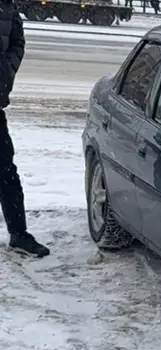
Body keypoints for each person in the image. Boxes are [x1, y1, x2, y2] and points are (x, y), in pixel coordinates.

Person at [0, 1, 50, 257]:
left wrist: (5, 71)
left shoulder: (7, 7)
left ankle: (18, 234)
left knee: (6, 173)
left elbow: (17, 43)